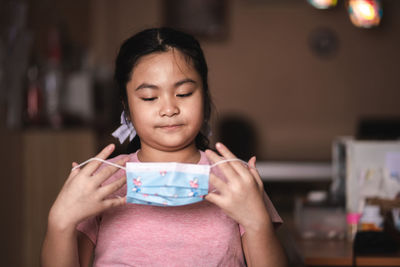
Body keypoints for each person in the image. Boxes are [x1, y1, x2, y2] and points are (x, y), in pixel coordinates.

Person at [41, 27, 287, 267]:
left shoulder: (237, 181)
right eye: (149, 97)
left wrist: (257, 223)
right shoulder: (101, 183)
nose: (169, 109)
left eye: (184, 93)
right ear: (126, 106)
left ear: (205, 95)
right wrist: (59, 223)